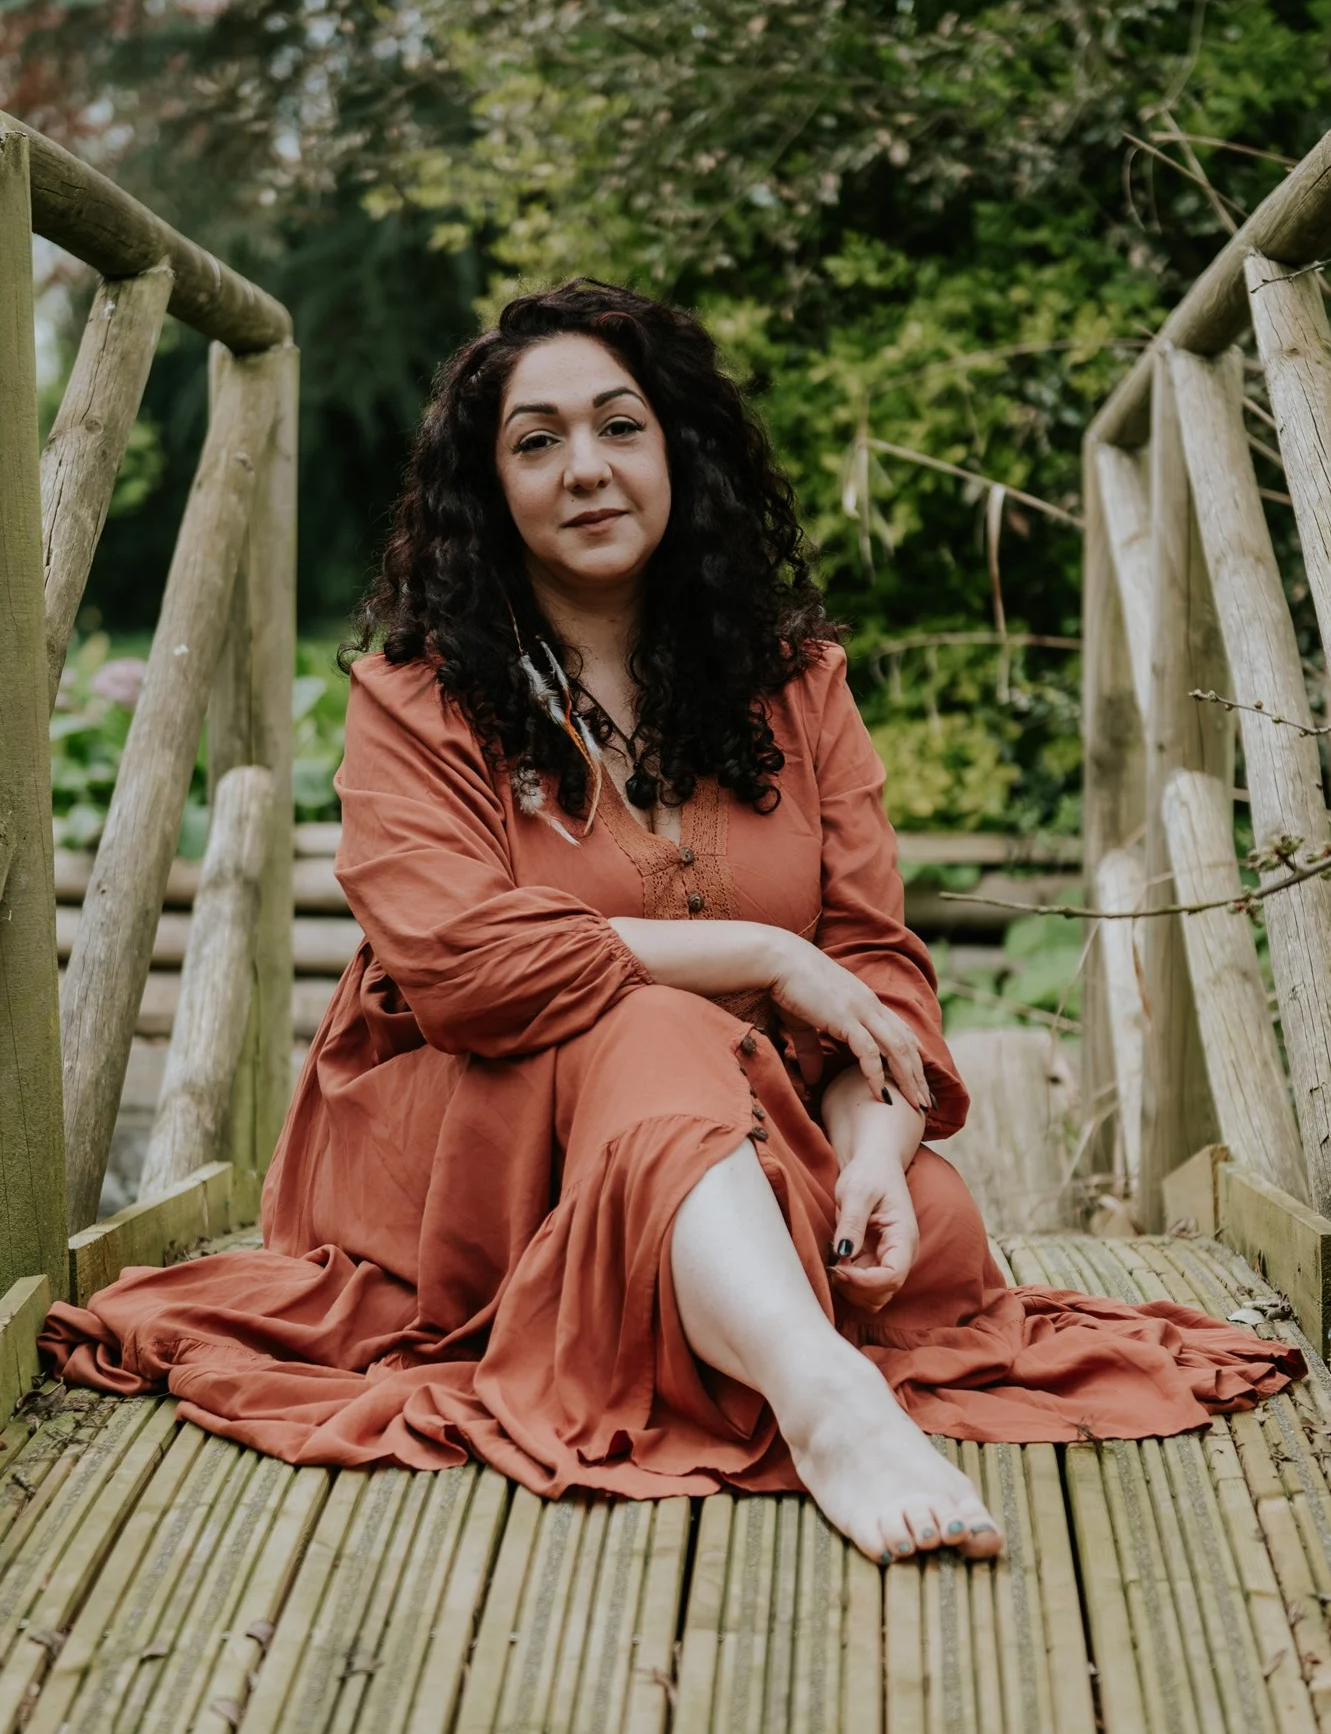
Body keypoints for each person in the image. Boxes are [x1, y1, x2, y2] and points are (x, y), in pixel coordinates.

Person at [42, 280, 1303, 1565]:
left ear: (675, 449)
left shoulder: (795, 686)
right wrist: (761, 953)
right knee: (654, 1028)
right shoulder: (415, 696)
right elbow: (461, 968)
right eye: (536, 441)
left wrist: (872, 1146)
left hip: (745, 1123)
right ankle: (824, 1398)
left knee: (916, 1216)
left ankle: (764, 1307)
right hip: (470, 1143)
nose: (584, 468)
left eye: (617, 426)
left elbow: (872, 961)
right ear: (489, 488)